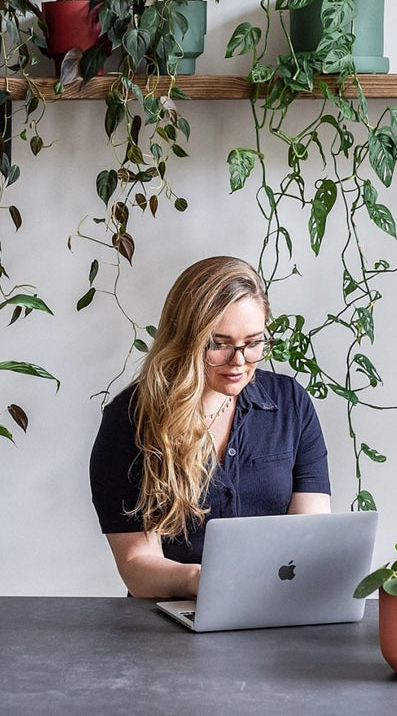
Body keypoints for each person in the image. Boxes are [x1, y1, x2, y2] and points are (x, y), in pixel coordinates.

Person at [88, 256, 331, 599]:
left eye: (254, 342)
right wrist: (202, 581)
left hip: (275, 613)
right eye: (219, 344)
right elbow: (137, 566)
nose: (240, 360)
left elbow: (312, 535)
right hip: (169, 622)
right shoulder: (129, 420)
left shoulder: (290, 403)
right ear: (186, 338)